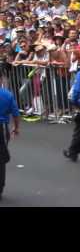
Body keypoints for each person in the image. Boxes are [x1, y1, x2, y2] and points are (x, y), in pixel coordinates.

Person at [0, 70, 20, 201]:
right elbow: (16, 114)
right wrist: (16, 127)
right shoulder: (7, 95)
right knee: (1, 159)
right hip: (2, 128)